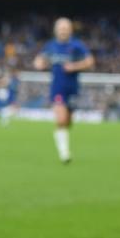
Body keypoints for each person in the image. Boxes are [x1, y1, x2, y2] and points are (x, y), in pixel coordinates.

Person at [33, 17, 94, 163]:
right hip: (57, 88)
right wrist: (39, 64)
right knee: (60, 119)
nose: (63, 31)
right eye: (61, 28)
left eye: (66, 28)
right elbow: (39, 60)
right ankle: (64, 153)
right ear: (56, 30)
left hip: (72, 88)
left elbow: (90, 62)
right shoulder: (50, 46)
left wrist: (74, 67)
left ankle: (62, 139)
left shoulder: (77, 45)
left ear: (70, 30)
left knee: (68, 122)